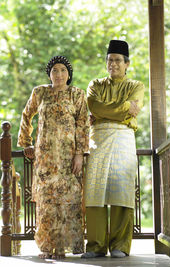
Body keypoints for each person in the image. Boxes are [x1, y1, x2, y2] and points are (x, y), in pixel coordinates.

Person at [17, 55, 89, 259]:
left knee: (69, 201)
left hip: (68, 159)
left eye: (63, 70)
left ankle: (62, 248)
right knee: (46, 203)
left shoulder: (77, 94)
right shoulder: (39, 92)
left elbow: (83, 124)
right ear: (49, 74)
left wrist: (79, 155)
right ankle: (47, 247)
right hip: (46, 158)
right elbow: (26, 114)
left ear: (69, 74)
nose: (58, 74)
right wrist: (26, 142)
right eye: (54, 70)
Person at [81, 40, 144, 259]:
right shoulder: (95, 85)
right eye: (110, 60)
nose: (113, 64)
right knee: (95, 191)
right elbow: (94, 106)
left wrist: (104, 112)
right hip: (98, 138)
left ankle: (120, 245)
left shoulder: (136, 86)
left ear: (126, 63)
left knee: (121, 190)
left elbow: (104, 110)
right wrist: (125, 107)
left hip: (123, 138)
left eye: (117, 60)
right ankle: (96, 245)